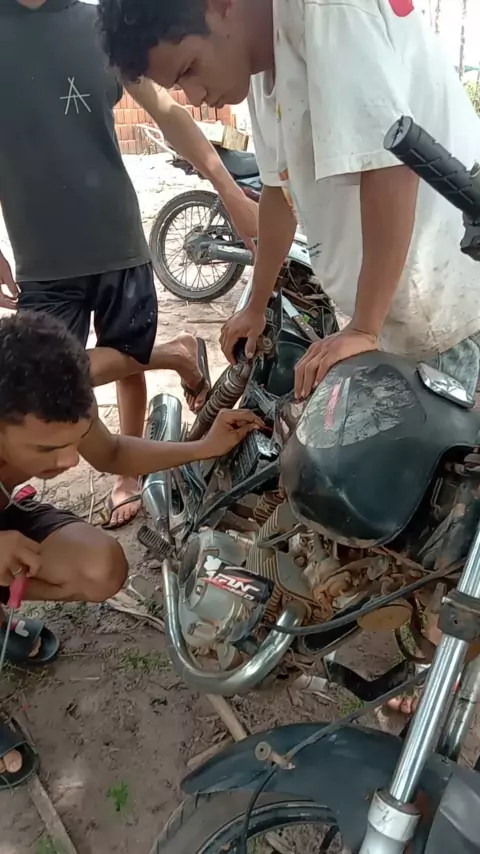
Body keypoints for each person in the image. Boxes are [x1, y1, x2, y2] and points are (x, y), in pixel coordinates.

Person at [99, 0, 480, 715]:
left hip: (450, 303)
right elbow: (278, 194)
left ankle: (441, 672)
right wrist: (254, 300)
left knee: (448, 510)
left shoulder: (328, 12)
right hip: (392, 306)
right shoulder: (266, 62)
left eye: (188, 69)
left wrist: (364, 325)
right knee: (383, 480)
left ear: (221, 6)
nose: (193, 97)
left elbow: (391, 164)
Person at [0, 0, 257, 531]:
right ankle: (174, 354)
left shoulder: (99, 26)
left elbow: (166, 111)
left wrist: (228, 189)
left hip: (116, 235)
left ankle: (125, 475)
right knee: (46, 380)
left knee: (125, 357)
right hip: (40, 254)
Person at [0, 311, 262, 782]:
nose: (68, 460)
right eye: (47, 450)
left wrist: (204, 447)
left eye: (75, 440)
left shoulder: (55, 406)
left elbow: (115, 453)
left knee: (101, 567)